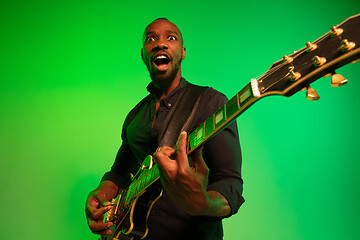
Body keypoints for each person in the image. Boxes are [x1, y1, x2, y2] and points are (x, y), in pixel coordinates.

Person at [85, 18, 244, 240]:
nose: (160, 43)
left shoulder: (211, 103)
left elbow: (230, 183)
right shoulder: (134, 116)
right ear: (143, 55)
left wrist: (203, 204)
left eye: (171, 38)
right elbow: (119, 173)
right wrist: (100, 194)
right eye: (151, 39)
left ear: (183, 52)